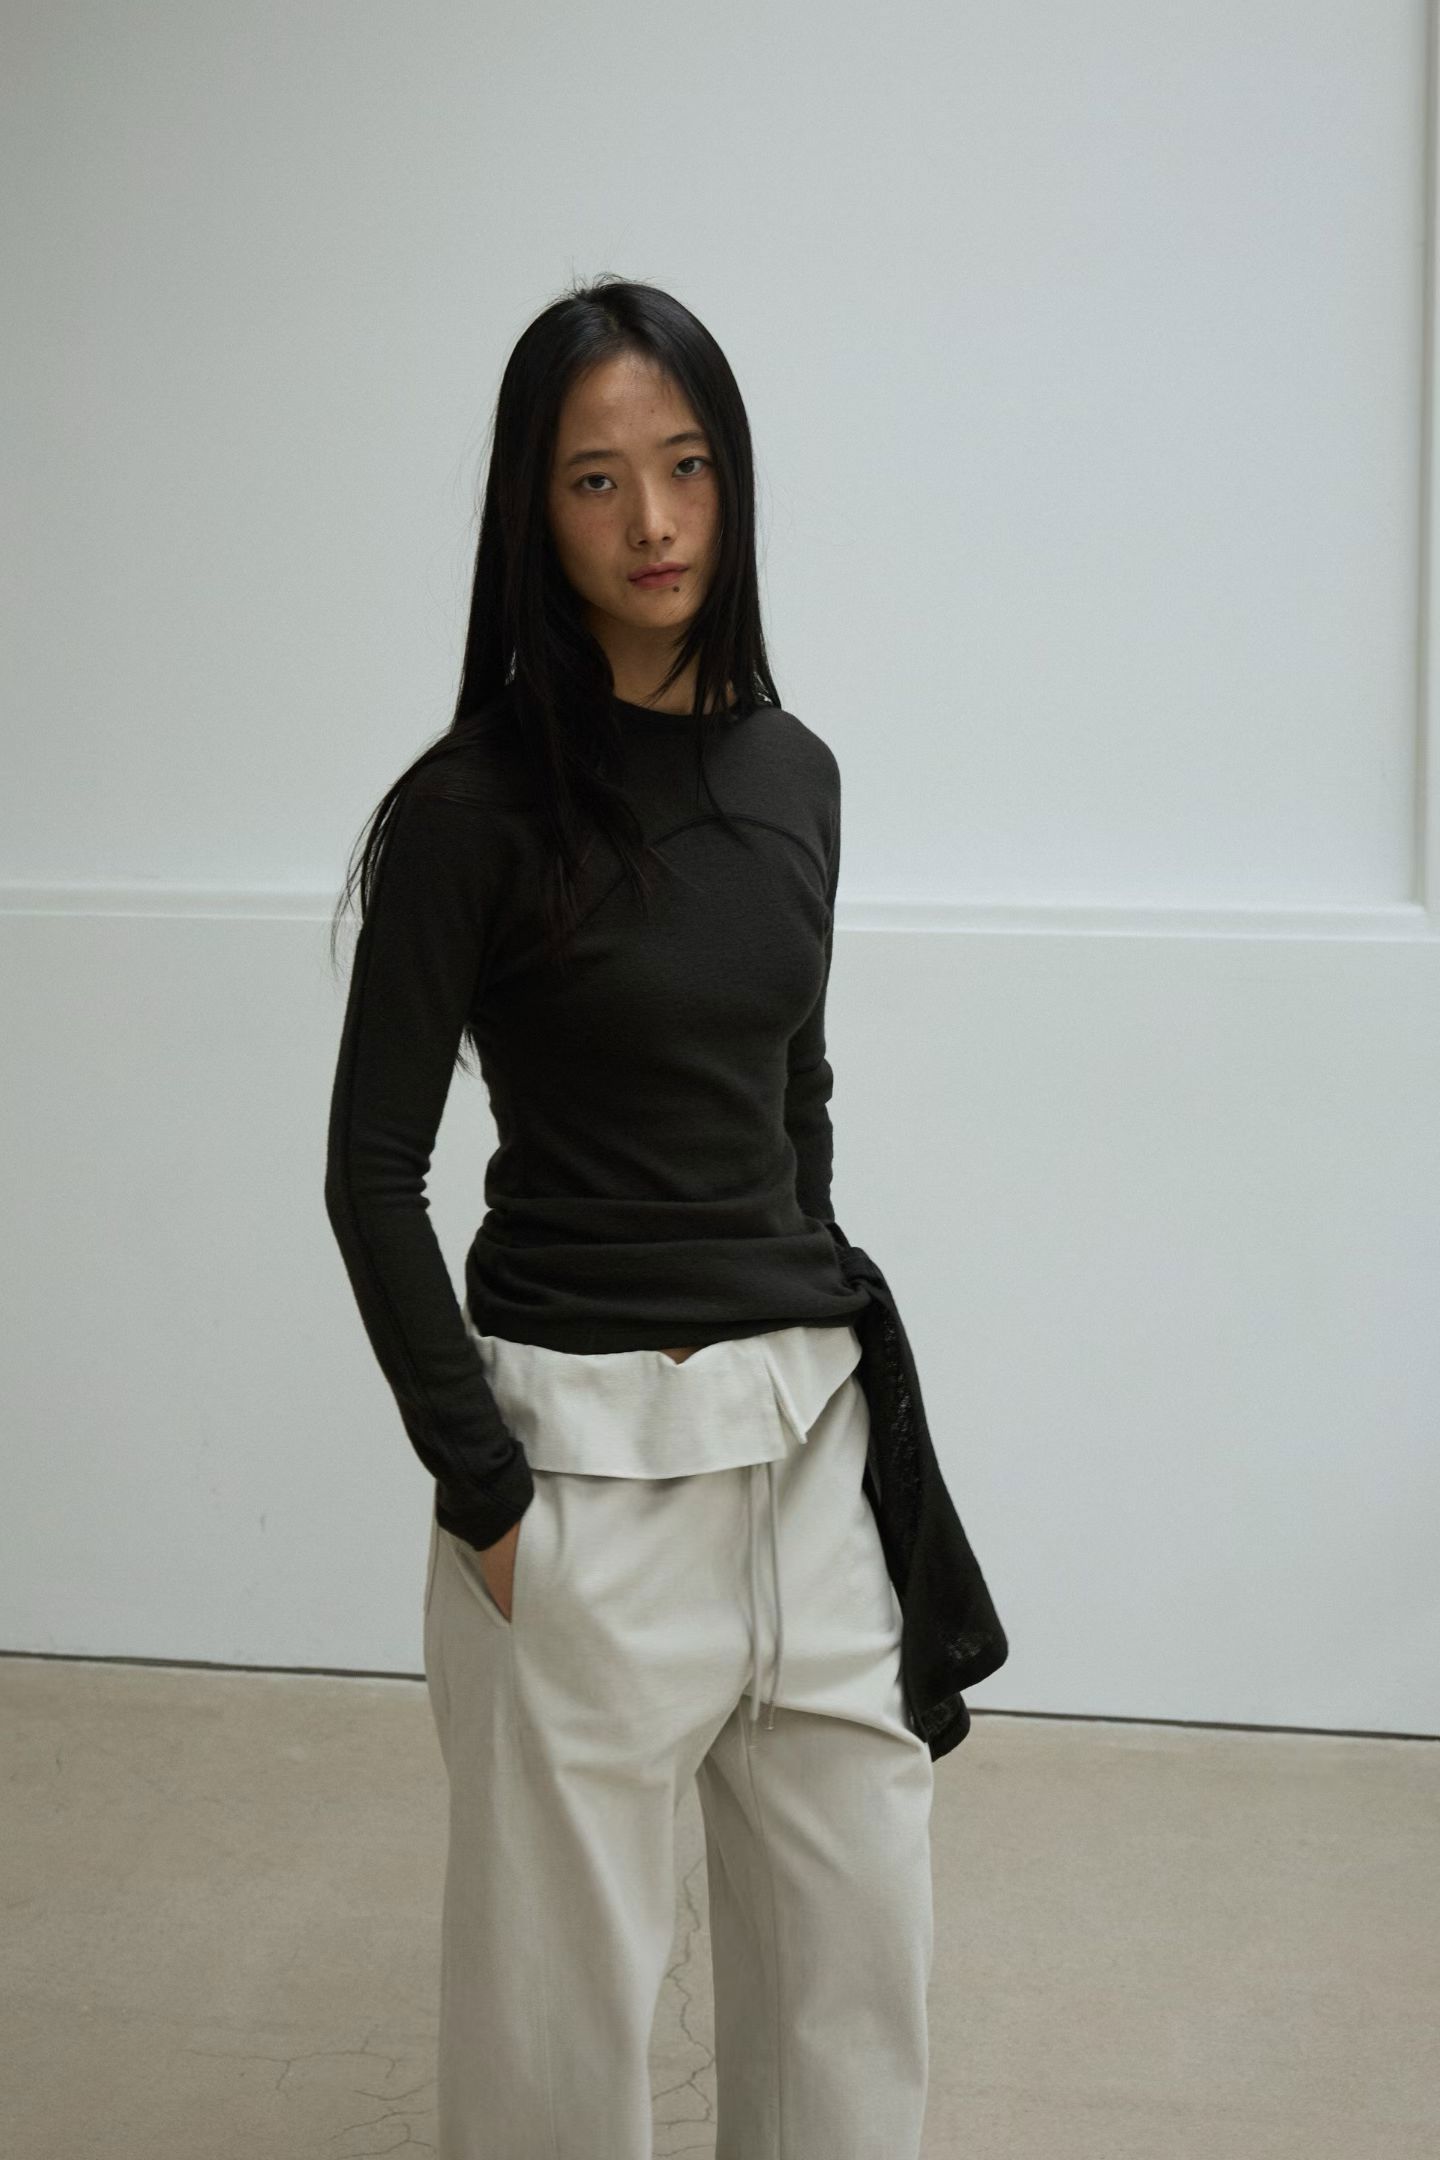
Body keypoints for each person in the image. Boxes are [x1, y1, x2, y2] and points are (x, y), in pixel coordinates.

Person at [324, 276, 938, 2159]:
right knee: (558, 2048)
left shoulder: (796, 773)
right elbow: (371, 1170)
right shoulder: (471, 810)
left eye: (686, 466)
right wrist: (487, 1496)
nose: (654, 521)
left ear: (731, 478)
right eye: (597, 480)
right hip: (582, 1474)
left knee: (854, 1987)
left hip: (809, 1453)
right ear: (536, 509)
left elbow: (793, 1093)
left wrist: (819, 1335)